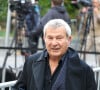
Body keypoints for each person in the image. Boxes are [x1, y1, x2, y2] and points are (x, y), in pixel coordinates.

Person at [12, 19, 96, 90]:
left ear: (69, 39)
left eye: (59, 38)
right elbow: (19, 87)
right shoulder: (31, 61)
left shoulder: (84, 70)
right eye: (50, 38)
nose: (54, 43)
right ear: (44, 39)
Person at [85, 0, 100, 66]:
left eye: (95, 2)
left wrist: (97, 13)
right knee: (84, 50)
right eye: (93, 2)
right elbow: (85, 21)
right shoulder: (91, 10)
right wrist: (85, 13)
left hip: (98, 35)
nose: (93, 4)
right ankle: (80, 64)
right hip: (90, 34)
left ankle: (98, 68)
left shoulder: (97, 11)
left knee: (98, 53)